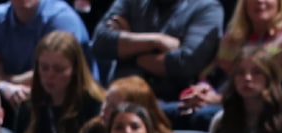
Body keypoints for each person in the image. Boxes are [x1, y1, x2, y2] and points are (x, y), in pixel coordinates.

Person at [91, 0, 223, 101]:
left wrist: (129, 48)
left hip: (171, 104)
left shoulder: (207, 8)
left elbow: (185, 63)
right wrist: (157, 41)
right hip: (122, 100)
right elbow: (100, 42)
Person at [0, 0, 92, 91]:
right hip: (11, 101)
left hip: (66, 100)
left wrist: (4, 82)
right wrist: (6, 87)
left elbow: (54, 73)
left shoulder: (62, 18)